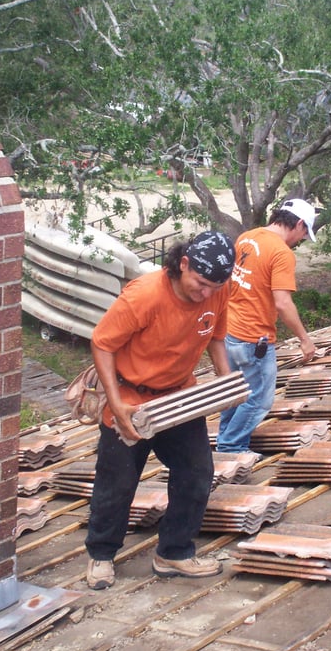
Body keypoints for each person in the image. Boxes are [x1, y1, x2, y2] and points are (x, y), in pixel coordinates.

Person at [84, 230, 236, 590]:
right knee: (117, 482)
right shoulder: (145, 295)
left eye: (215, 287)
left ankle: (174, 552)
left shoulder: (218, 289)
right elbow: (102, 344)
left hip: (179, 397)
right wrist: (116, 403)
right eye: (201, 284)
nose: (207, 294)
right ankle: (101, 554)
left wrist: (226, 381)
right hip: (132, 398)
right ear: (183, 264)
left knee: (196, 473)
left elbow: (216, 336)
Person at [216, 198, 318, 454]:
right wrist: (305, 339)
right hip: (254, 338)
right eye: (304, 233)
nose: (301, 239)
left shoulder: (247, 237)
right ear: (299, 223)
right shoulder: (282, 253)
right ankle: (232, 447)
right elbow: (282, 303)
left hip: (230, 330)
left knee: (234, 391)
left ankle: (224, 441)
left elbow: (230, 282)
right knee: (259, 399)